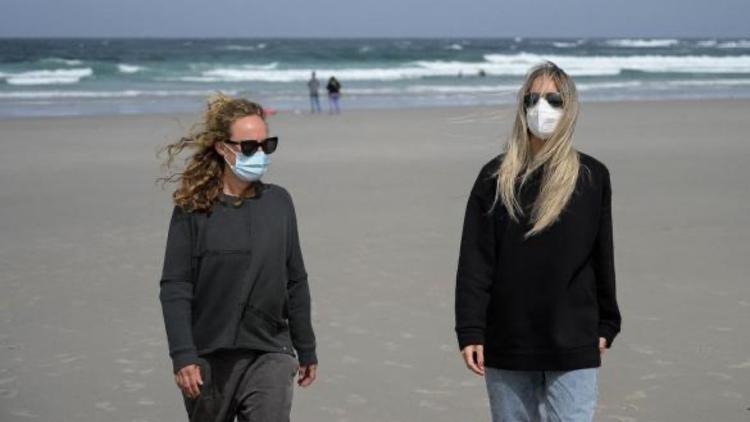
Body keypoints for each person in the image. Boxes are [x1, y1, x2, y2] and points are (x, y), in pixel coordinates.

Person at [454, 61, 621, 422]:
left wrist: (608, 323)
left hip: (573, 341)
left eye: (552, 99)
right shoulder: (495, 178)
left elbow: (601, 255)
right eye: (532, 98)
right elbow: (475, 261)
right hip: (508, 341)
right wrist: (469, 329)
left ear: (570, 106)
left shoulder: (592, 177)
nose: (540, 108)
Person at [158, 94, 318, 422]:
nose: (259, 154)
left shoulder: (279, 203)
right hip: (208, 356)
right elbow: (175, 286)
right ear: (222, 147)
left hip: (271, 350)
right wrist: (183, 355)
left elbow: (295, 279)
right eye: (248, 147)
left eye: (266, 145)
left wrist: (306, 347)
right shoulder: (193, 209)